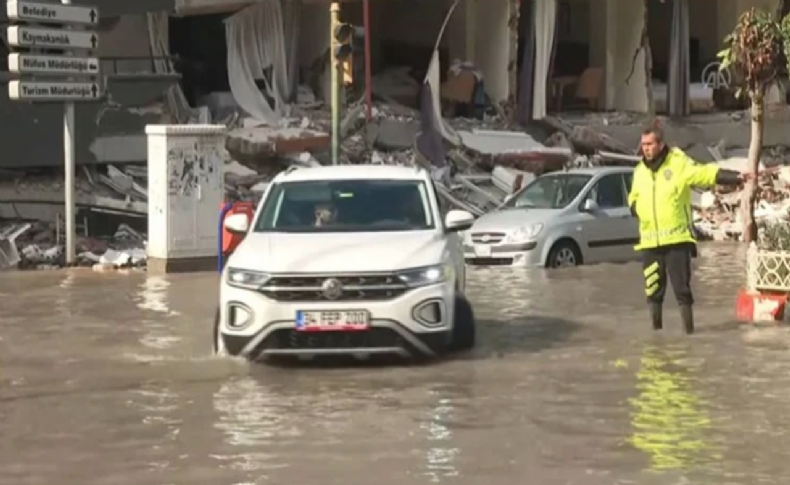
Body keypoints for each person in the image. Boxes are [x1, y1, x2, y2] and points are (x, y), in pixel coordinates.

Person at [628, 124, 749, 334]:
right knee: (653, 291)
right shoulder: (639, 172)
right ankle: (656, 336)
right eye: (643, 145)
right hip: (649, 244)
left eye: (649, 144)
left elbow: (704, 173)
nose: (645, 149)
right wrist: (635, 208)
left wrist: (735, 177)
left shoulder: (678, 163)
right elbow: (633, 197)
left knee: (682, 292)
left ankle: (689, 335)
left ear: (660, 144)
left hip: (677, 241)